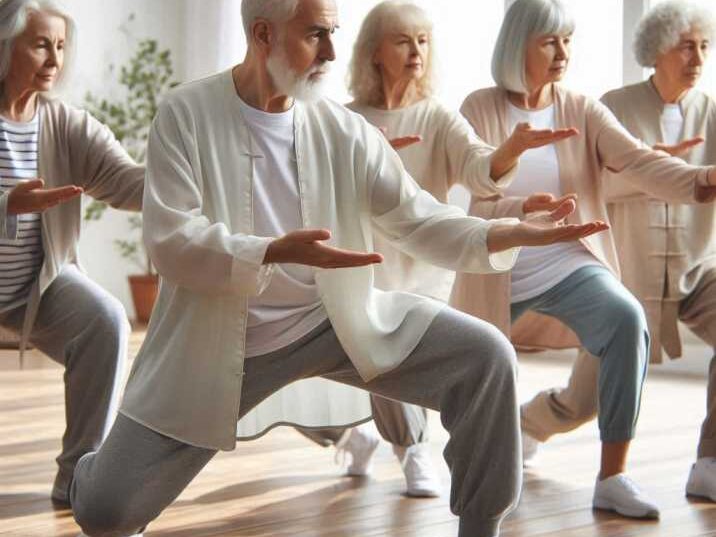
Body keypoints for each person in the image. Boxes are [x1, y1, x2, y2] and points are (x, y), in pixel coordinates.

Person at [68, 1, 608, 536]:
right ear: (262, 34)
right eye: (314, 35)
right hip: (224, 342)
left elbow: (416, 218)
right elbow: (171, 240)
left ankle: (480, 526)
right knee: (106, 512)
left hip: (338, 323)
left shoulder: (342, 129)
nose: (331, 51)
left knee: (487, 356)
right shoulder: (185, 114)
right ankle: (92, 472)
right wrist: (272, 252)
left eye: (334, 33)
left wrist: (502, 232)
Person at [292, 0, 576, 498]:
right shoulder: (344, 118)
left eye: (423, 40)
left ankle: (403, 446)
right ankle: (388, 442)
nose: (416, 50)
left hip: (423, 267)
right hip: (361, 264)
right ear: (375, 52)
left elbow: (477, 167)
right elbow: (313, 188)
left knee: (389, 356)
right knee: (350, 361)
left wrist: (512, 148)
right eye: (402, 40)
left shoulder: (438, 117)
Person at [452, 0, 716, 520]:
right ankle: (475, 464)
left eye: (568, 41)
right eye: (549, 41)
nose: (562, 52)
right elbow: (472, 183)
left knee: (625, 319)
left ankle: (612, 477)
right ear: (518, 45)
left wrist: (699, 180)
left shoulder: (581, 107)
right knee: (474, 372)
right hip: (500, 263)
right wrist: (514, 170)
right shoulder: (479, 107)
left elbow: (636, 161)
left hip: (569, 256)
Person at [0, 0, 143, 506]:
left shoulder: (64, 124)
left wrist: (200, 168)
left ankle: (80, 475)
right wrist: (6, 203)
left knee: (106, 320)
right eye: (40, 43)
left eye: (60, 46)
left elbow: (128, 183)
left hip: (36, 286)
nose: (54, 58)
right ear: (4, 44)